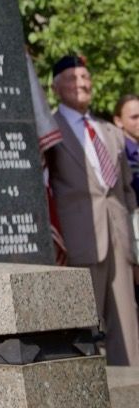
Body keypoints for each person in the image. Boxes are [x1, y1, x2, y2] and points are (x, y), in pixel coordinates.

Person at [47, 55, 139, 365]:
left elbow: (126, 191)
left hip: (120, 242)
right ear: (57, 87)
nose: (82, 84)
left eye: (86, 78)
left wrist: (134, 246)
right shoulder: (49, 130)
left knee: (127, 329)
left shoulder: (109, 131)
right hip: (78, 241)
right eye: (73, 79)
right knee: (82, 329)